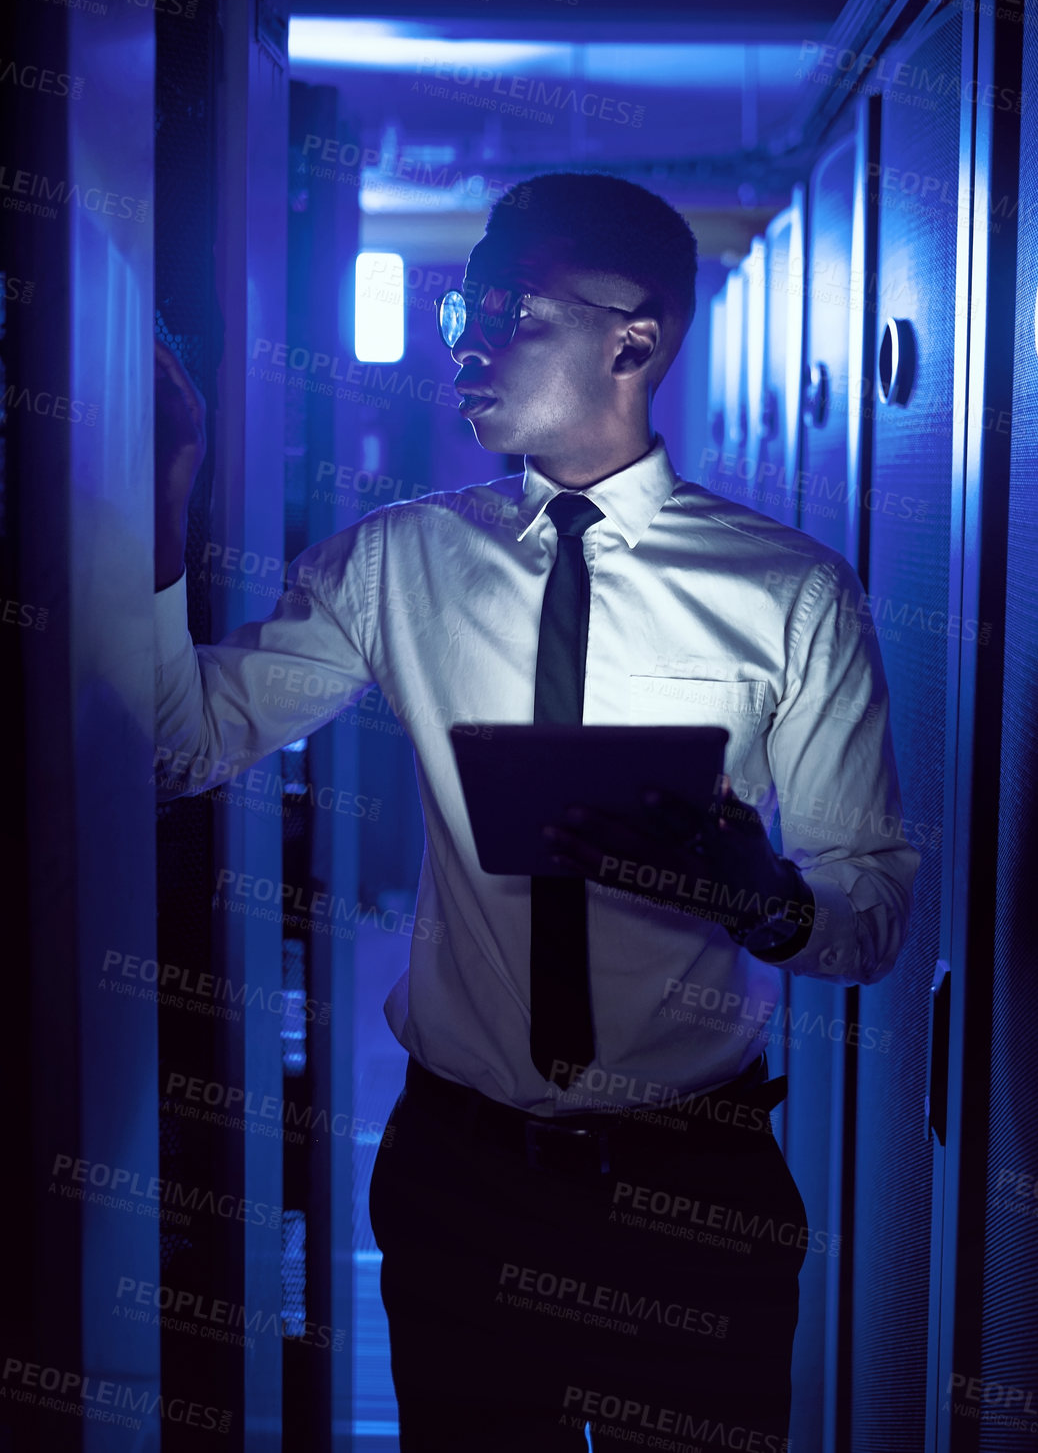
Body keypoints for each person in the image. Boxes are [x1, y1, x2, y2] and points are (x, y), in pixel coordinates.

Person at [154, 171, 919, 1452]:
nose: (462, 339)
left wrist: (763, 899)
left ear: (636, 338)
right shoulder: (394, 559)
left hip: (694, 1193)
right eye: (461, 303)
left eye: (508, 309)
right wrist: (162, 498)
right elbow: (178, 747)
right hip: (462, 1182)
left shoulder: (790, 594)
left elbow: (873, 909)